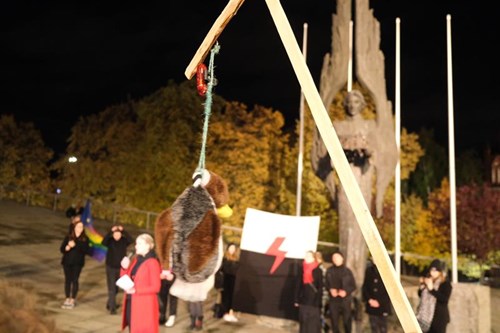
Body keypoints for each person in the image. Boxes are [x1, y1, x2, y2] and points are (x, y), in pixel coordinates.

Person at [120, 233, 162, 333]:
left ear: (147, 246)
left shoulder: (152, 263)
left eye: (139, 243)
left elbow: (156, 287)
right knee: (132, 328)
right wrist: (124, 268)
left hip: (144, 305)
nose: (135, 246)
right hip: (132, 301)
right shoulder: (136, 260)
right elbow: (126, 278)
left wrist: (136, 290)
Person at [101, 223, 133, 314]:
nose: (117, 236)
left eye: (118, 234)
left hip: (120, 268)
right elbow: (103, 242)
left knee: (116, 288)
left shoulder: (123, 241)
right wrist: (110, 231)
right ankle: (112, 308)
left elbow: (131, 240)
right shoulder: (110, 241)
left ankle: (110, 303)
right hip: (110, 267)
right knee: (111, 288)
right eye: (115, 234)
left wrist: (123, 231)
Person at [60, 218, 91, 309]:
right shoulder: (69, 237)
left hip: (78, 263)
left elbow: (87, 251)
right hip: (67, 262)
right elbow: (62, 249)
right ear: (74, 227)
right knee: (67, 280)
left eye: (81, 227)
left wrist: (76, 245)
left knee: (75, 280)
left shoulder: (85, 239)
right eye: (78, 226)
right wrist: (67, 247)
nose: (80, 228)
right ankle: (67, 298)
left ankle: (72, 299)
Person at [416, 259, 452, 333]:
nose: (433, 273)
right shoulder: (429, 280)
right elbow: (421, 296)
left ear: (440, 272)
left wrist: (432, 289)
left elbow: (444, 299)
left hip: (439, 319)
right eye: (431, 270)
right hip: (424, 318)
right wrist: (422, 287)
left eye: (435, 271)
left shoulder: (445, 284)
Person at [325, 251, 356, 333]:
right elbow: (326, 284)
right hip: (333, 300)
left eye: (337, 257)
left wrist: (346, 292)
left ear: (342, 258)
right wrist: (330, 290)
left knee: (347, 322)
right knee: (334, 322)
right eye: (334, 257)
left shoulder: (347, 271)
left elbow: (353, 286)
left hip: (345, 300)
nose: (335, 259)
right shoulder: (329, 271)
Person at [294, 250, 323, 333]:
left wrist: (317, 302)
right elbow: (298, 285)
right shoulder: (302, 269)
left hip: (314, 301)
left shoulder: (318, 271)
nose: (306, 257)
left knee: (312, 324)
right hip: (303, 300)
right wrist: (296, 299)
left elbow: (320, 287)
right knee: (303, 322)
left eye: (309, 256)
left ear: (313, 258)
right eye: (306, 256)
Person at [362, 259, 391, 333]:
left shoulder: (388, 271)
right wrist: (369, 300)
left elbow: (390, 290)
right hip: (371, 304)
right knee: (373, 327)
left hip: (383, 306)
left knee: (383, 328)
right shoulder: (369, 270)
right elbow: (365, 287)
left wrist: (380, 302)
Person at [221, 243, 240, 322]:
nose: (231, 250)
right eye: (230, 248)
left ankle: (231, 313)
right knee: (226, 298)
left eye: (233, 248)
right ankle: (225, 313)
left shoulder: (237, 260)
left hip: (234, 281)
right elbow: (223, 270)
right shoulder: (224, 259)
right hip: (226, 281)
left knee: (232, 298)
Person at [315, 251, 330, 333]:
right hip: (319, 294)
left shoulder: (322, 268)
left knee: (320, 312)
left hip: (323, 294)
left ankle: (323, 328)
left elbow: (323, 283)